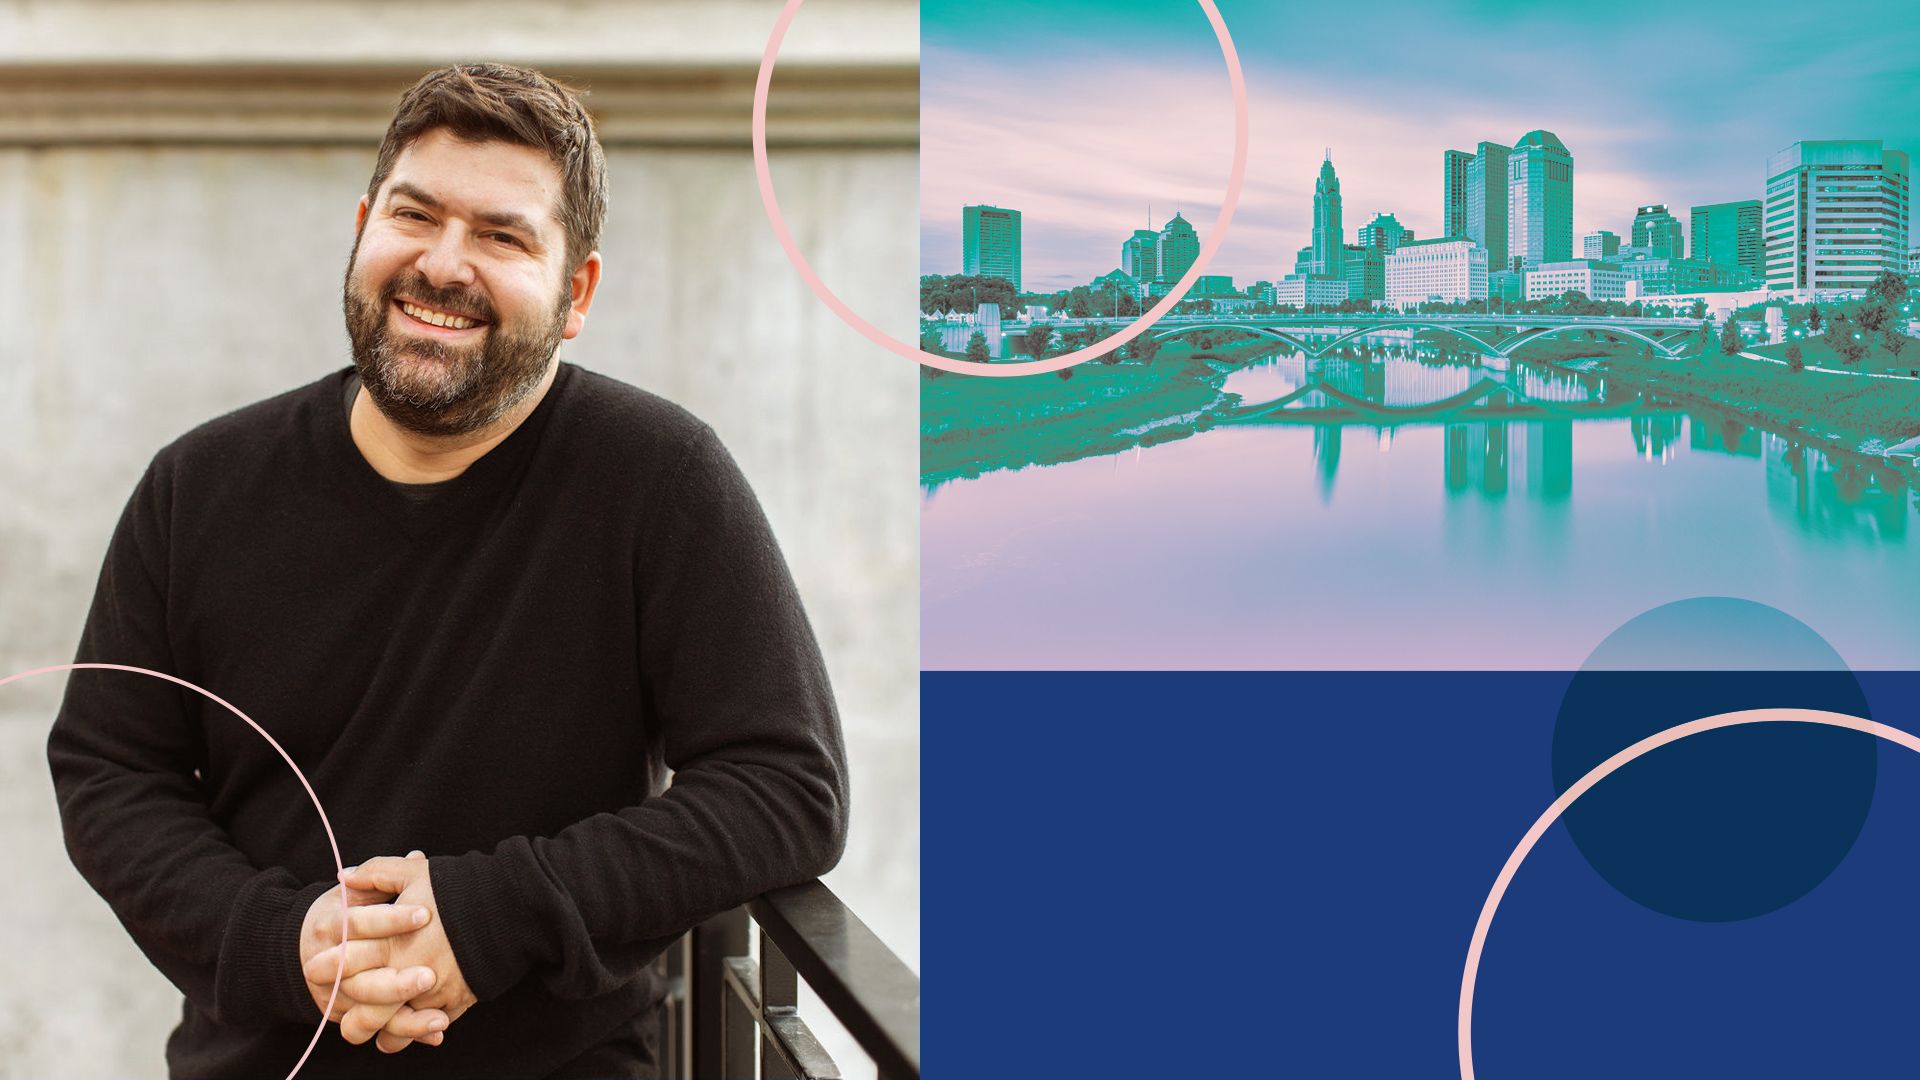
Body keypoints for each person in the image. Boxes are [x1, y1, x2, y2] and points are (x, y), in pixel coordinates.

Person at [45, 62, 848, 1079]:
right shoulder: (198, 484)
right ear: (362, 227)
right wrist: (280, 941)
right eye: (413, 215)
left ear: (577, 293)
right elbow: (111, 769)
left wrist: (488, 917)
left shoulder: (658, 478)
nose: (442, 263)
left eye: (503, 236)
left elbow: (788, 786)